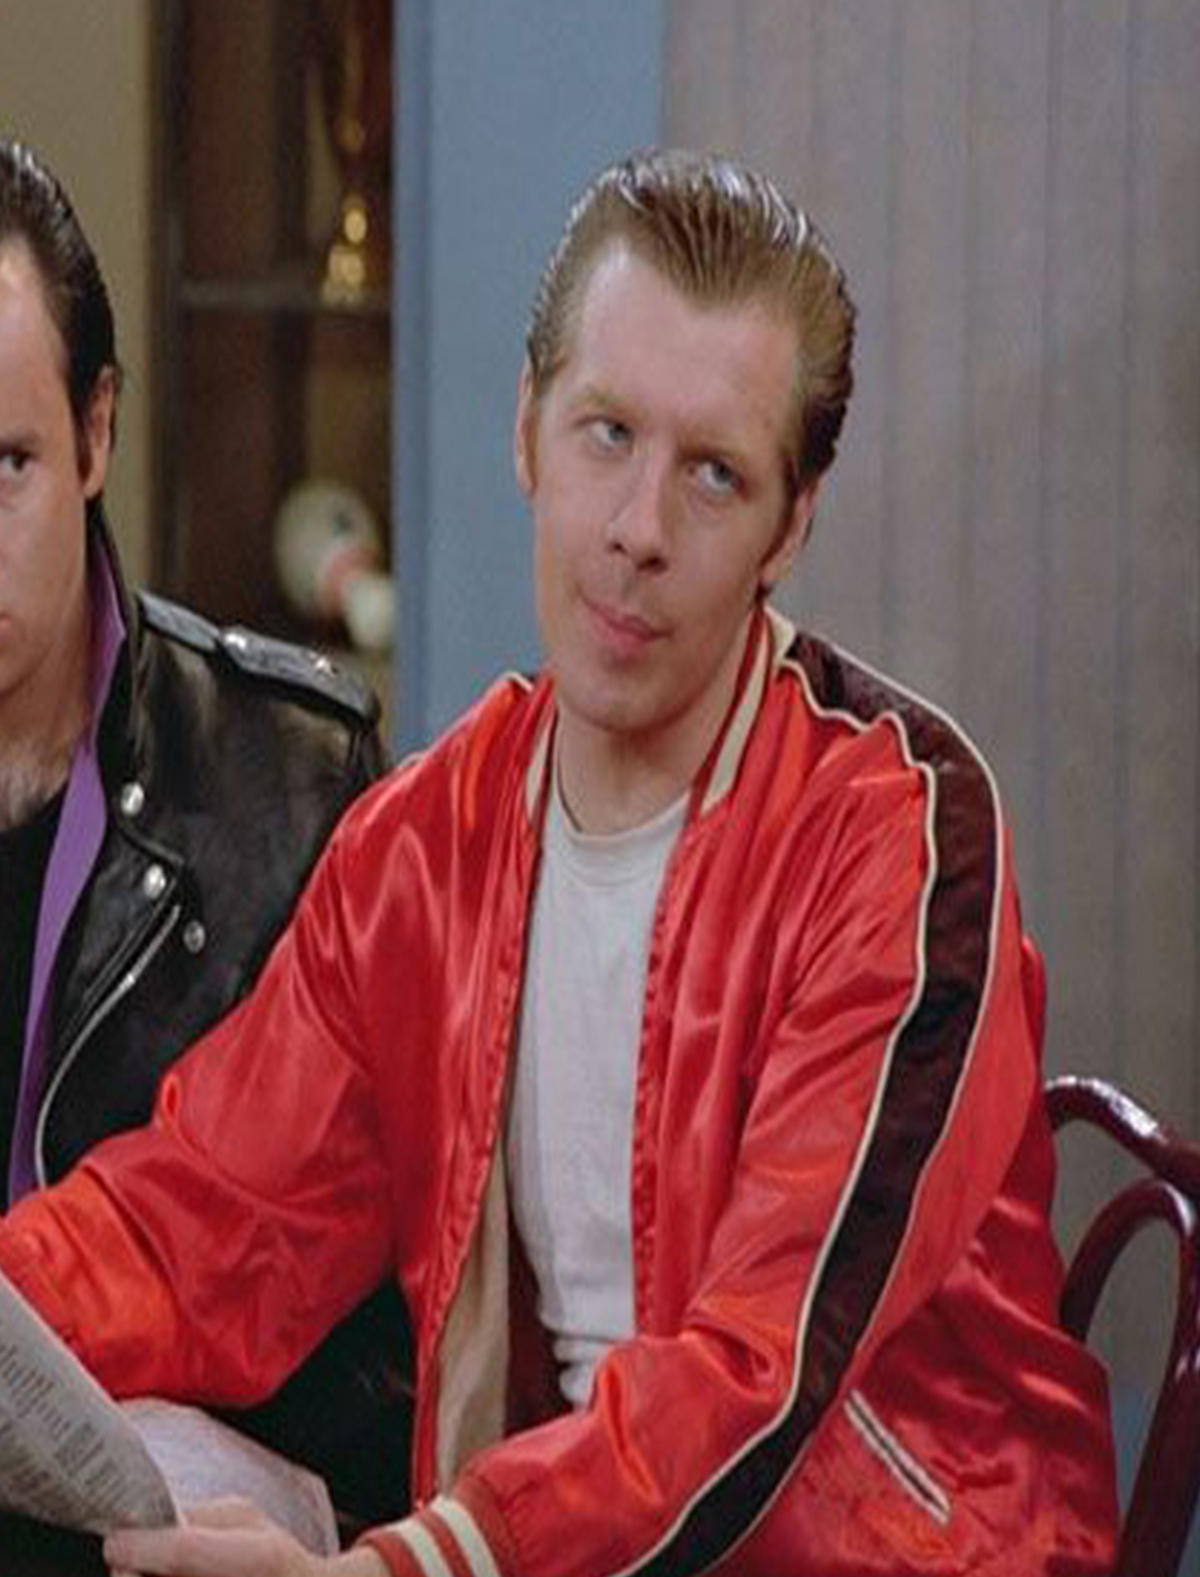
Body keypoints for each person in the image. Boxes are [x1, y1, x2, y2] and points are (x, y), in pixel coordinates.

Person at [0, 149, 1117, 1576]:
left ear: (792, 523)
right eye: (606, 435)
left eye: (714, 474)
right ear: (527, 430)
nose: (639, 530)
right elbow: (201, 1226)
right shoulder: (429, 843)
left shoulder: (896, 836)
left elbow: (751, 1374)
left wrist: (402, 1567)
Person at [0, 138, 411, 1525]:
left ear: (98, 432)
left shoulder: (294, 775)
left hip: (189, 1508)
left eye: (7, 463)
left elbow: (375, 1325)